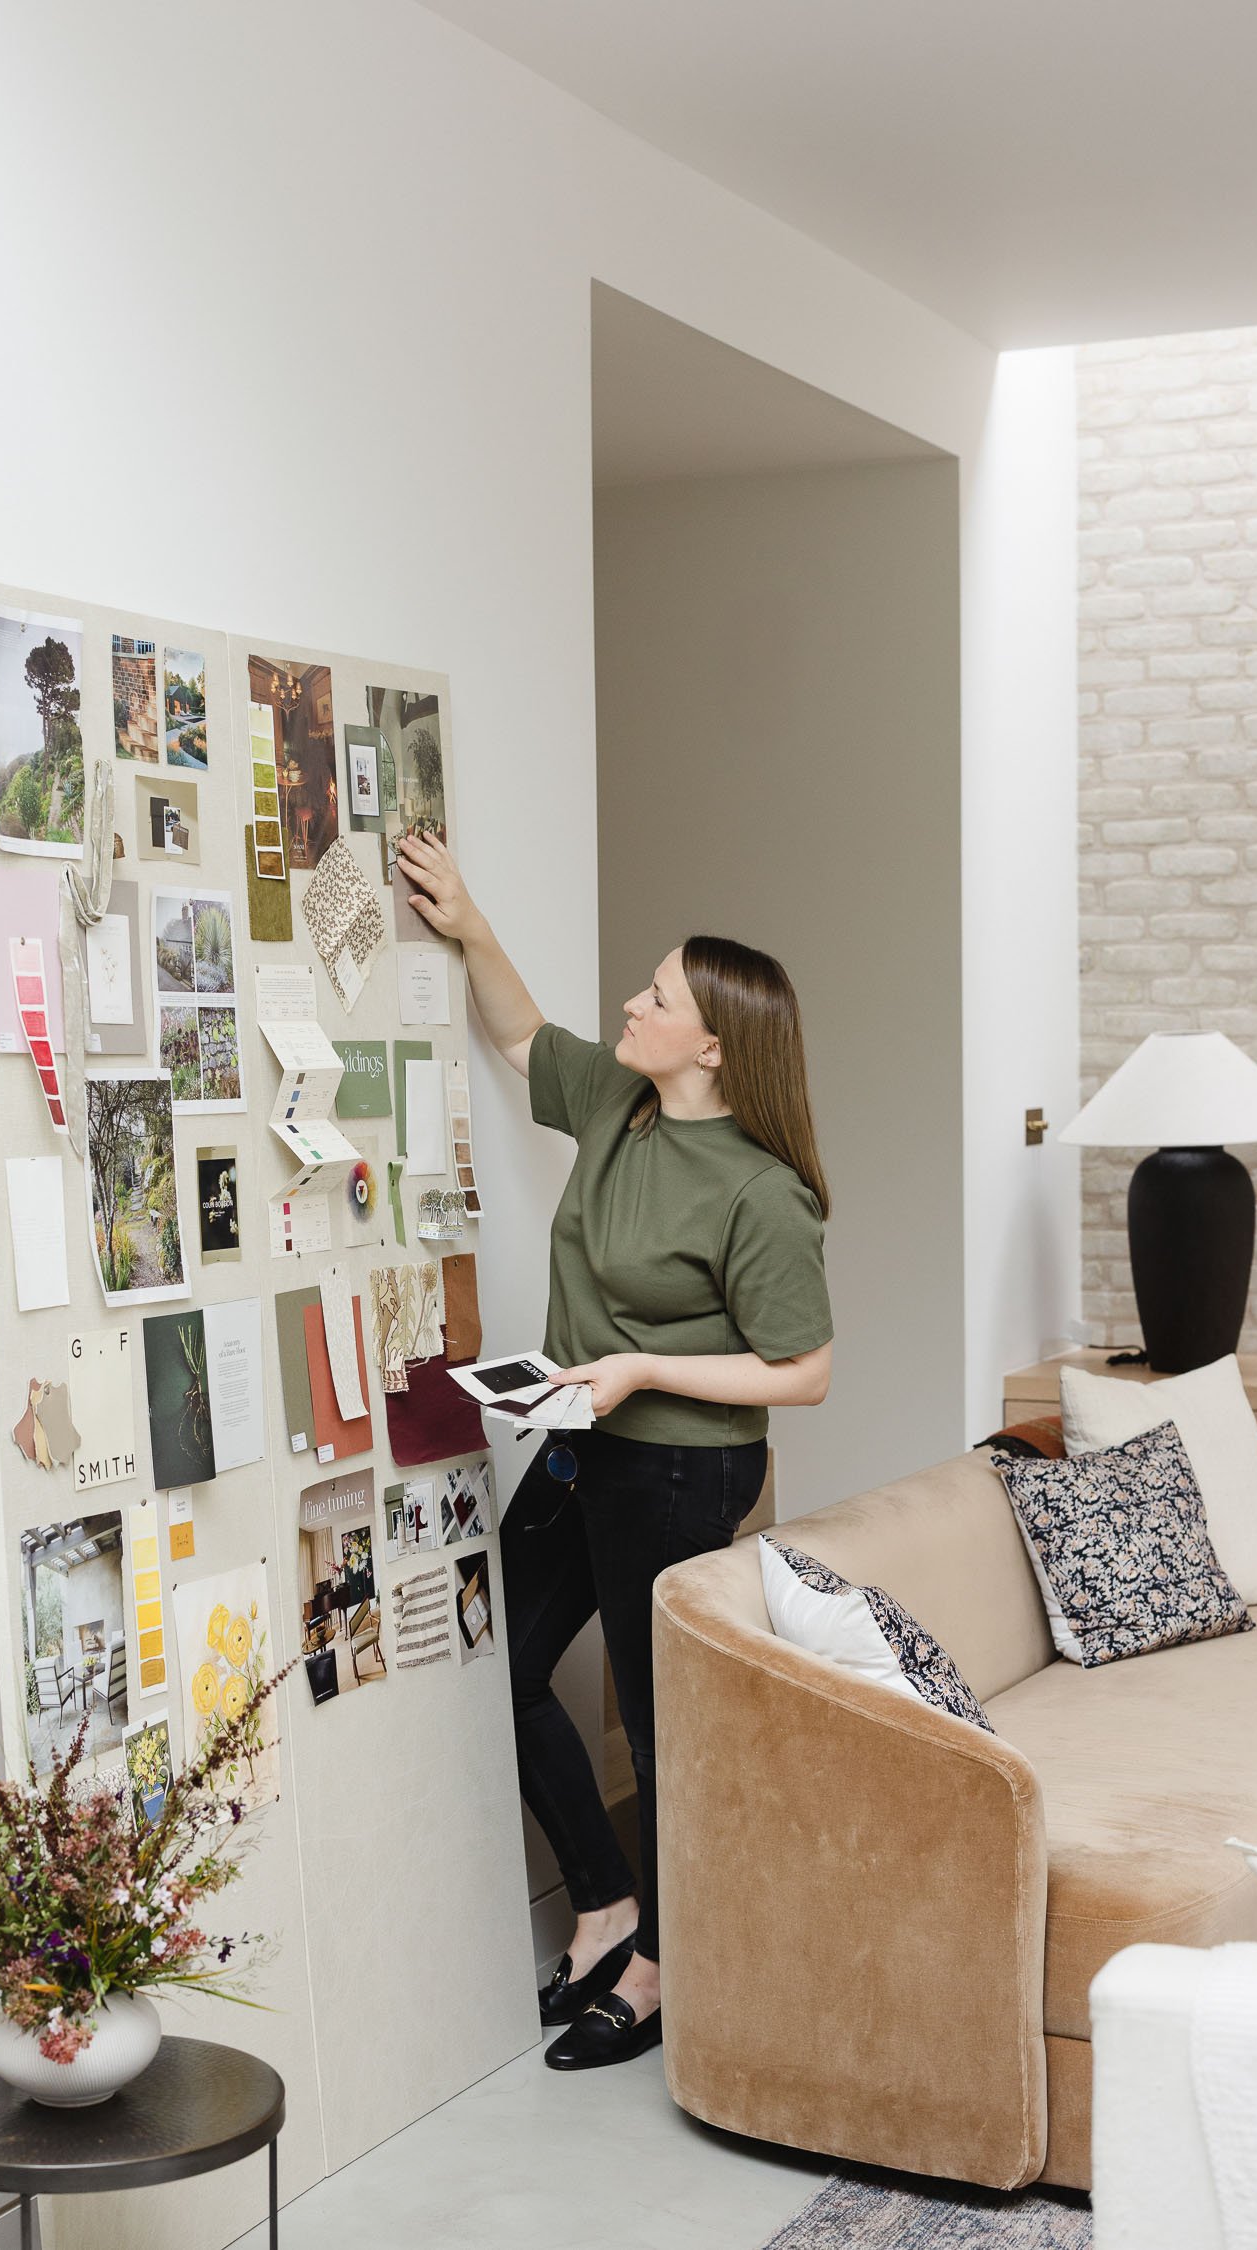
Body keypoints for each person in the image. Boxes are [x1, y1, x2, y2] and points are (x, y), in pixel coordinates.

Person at [397, 832, 834, 2073]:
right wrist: (468, 921)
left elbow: (804, 1370)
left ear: (714, 1046)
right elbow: (524, 1035)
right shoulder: (618, 1101)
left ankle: (659, 1969)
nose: (633, 1005)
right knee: (502, 1664)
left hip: (679, 1467)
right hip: (584, 1442)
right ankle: (604, 1901)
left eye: (657, 996)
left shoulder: (761, 1192)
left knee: (654, 1725)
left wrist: (642, 1370)